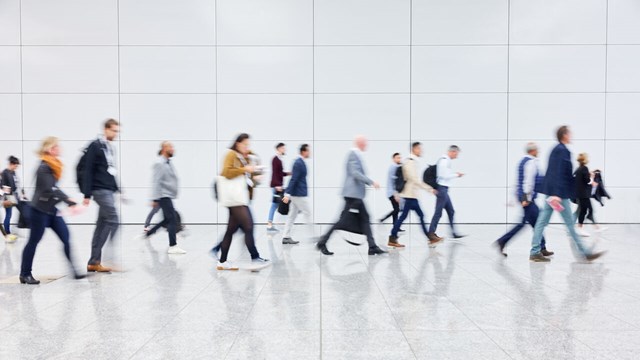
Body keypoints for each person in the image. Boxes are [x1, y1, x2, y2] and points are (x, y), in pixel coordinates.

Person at [529, 126, 606, 262]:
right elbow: (558, 172)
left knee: (543, 222)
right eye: (569, 133)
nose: (571, 135)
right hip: (558, 194)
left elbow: (557, 173)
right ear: (564, 135)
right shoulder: (562, 151)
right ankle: (585, 253)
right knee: (568, 224)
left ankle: (535, 251)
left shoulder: (556, 149)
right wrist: (558, 194)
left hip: (553, 193)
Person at [20, 137, 85, 284]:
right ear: (50, 149)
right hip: (39, 211)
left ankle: (75, 270)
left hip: (51, 210)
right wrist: (69, 201)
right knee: (33, 241)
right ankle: (25, 274)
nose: (60, 149)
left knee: (66, 237)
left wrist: (67, 201)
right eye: (57, 147)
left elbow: (53, 189)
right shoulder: (43, 167)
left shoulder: (53, 165)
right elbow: (50, 189)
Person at [316, 135, 387, 256]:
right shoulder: (353, 154)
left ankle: (372, 246)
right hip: (352, 194)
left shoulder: (356, 154)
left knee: (365, 218)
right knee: (343, 221)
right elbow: (355, 173)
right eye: (365, 142)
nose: (366, 145)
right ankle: (322, 242)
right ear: (360, 143)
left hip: (355, 194)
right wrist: (371, 182)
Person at [215, 133, 270, 270]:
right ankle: (255, 258)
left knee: (230, 230)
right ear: (238, 143)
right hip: (235, 199)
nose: (247, 147)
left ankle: (222, 262)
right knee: (249, 226)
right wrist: (245, 169)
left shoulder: (242, 156)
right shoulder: (231, 154)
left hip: (238, 198)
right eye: (245, 144)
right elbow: (226, 172)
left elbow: (247, 174)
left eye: (248, 144)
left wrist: (254, 172)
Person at [494, 143, 554, 257]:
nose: (539, 152)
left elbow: (518, 182)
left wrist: (514, 197)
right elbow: (528, 182)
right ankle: (503, 241)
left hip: (524, 197)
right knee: (537, 222)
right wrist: (526, 198)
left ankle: (541, 247)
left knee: (530, 222)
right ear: (532, 151)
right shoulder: (531, 163)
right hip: (527, 198)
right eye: (537, 150)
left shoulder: (522, 161)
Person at [82, 119, 121, 273]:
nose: (115, 134)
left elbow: (110, 170)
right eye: (114, 130)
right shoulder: (95, 146)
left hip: (108, 190)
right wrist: (86, 194)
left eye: (117, 131)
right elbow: (88, 170)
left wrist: (117, 188)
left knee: (102, 225)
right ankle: (110, 257)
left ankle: (94, 262)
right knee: (114, 220)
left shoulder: (109, 148)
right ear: (106, 129)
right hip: (99, 190)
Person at [138, 142, 186, 254]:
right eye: (171, 147)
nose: (173, 149)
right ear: (164, 149)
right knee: (172, 219)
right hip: (163, 195)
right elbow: (156, 181)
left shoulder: (167, 162)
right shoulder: (160, 163)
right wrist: (154, 198)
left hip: (167, 195)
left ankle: (147, 234)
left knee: (167, 219)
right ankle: (173, 246)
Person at [388, 142, 439, 248]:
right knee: (412, 216)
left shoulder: (411, 161)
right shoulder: (410, 162)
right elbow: (414, 179)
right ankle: (429, 237)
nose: (421, 151)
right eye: (419, 149)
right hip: (409, 195)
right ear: (414, 149)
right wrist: (429, 189)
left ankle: (393, 237)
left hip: (411, 195)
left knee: (412, 216)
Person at [428, 145, 465, 241]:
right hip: (442, 189)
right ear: (452, 152)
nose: (457, 155)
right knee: (438, 212)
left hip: (444, 190)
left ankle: (453, 233)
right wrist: (457, 175)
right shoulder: (444, 161)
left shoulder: (446, 160)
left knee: (451, 211)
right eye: (457, 153)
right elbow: (443, 175)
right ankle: (431, 233)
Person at [282, 144, 312, 245]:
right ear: (303, 152)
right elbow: (294, 179)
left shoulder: (300, 162)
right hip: (298, 194)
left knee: (292, 215)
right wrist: (287, 194)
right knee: (307, 213)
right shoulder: (298, 163)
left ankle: (286, 237)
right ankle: (313, 237)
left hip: (296, 193)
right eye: (308, 151)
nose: (310, 152)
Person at [574, 153, 605, 237]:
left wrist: (590, 173)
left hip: (580, 194)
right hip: (583, 194)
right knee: (585, 211)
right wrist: (591, 177)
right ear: (585, 159)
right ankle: (581, 228)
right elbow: (587, 181)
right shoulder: (584, 168)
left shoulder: (579, 168)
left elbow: (582, 178)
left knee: (585, 210)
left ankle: (594, 226)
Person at [267, 143, 290, 232]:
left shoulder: (279, 160)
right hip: (276, 186)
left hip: (277, 185)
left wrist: (288, 173)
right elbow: (275, 173)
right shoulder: (275, 159)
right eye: (283, 148)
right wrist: (277, 185)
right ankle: (270, 225)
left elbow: (280, 173)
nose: (285, 150)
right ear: (279, 149)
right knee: (275, 205)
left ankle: (270, 224)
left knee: (275, 205)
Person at [2, 156, 28, 235]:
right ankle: (7, 232)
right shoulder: (5, 173)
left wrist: (22, 193)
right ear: (11, 164)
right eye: (15, 166)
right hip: (9, 197)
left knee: (23, 209)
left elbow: (17, 184)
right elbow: (3, 186)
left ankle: (18, 227)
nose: (16, 167)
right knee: (8, 215)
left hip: (15, 195)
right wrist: (6, 198)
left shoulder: (13, 172)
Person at [379, 152, 404, 231]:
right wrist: (396, 193)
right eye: (397, 158)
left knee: (396, 209)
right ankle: (383, 219)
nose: (399, 159)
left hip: (392, 192)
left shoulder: (396, 166)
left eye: (400, 158)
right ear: (393, 159)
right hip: (392, 192)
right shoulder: (394, 167)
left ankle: (395, 226)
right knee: (397, 209)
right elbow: (394, 181)